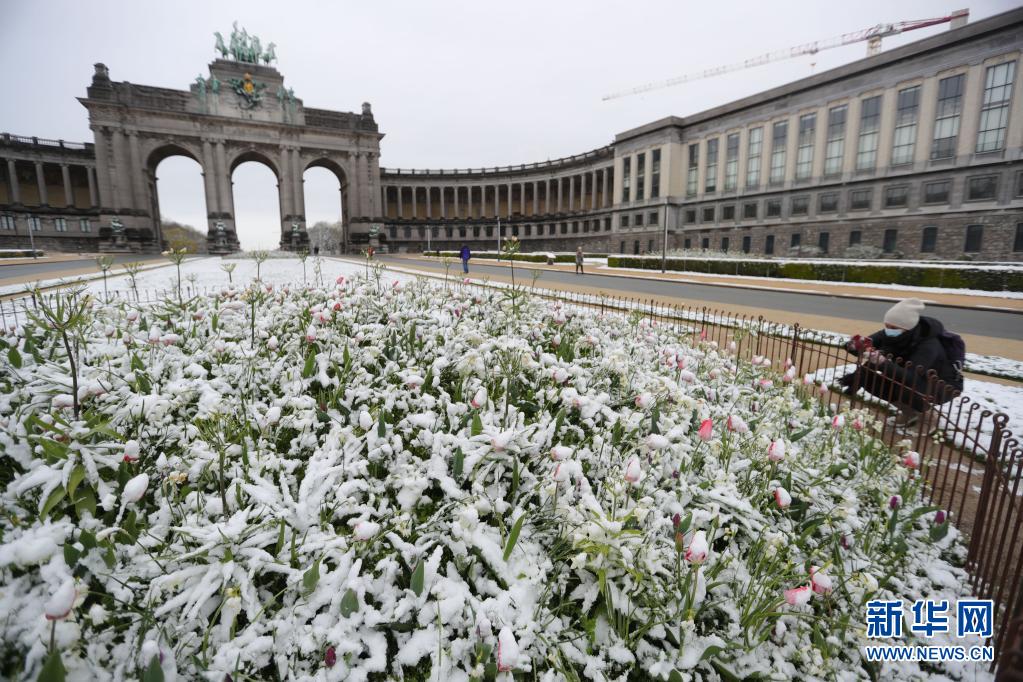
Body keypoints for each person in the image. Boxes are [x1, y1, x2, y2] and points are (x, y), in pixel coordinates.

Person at [840, 298, 965, 426]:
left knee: (903, 388)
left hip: (941, 384)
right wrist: (854, 346)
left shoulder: (929, 345)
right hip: (912, 378)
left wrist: (882, 363)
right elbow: (867, 345)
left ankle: (928, 420)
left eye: (893, 327)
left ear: (908, 327)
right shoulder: (891, 334)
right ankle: (910, 413)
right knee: (868, 379)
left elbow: (912, 377)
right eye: (887, 326)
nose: (888, 330)